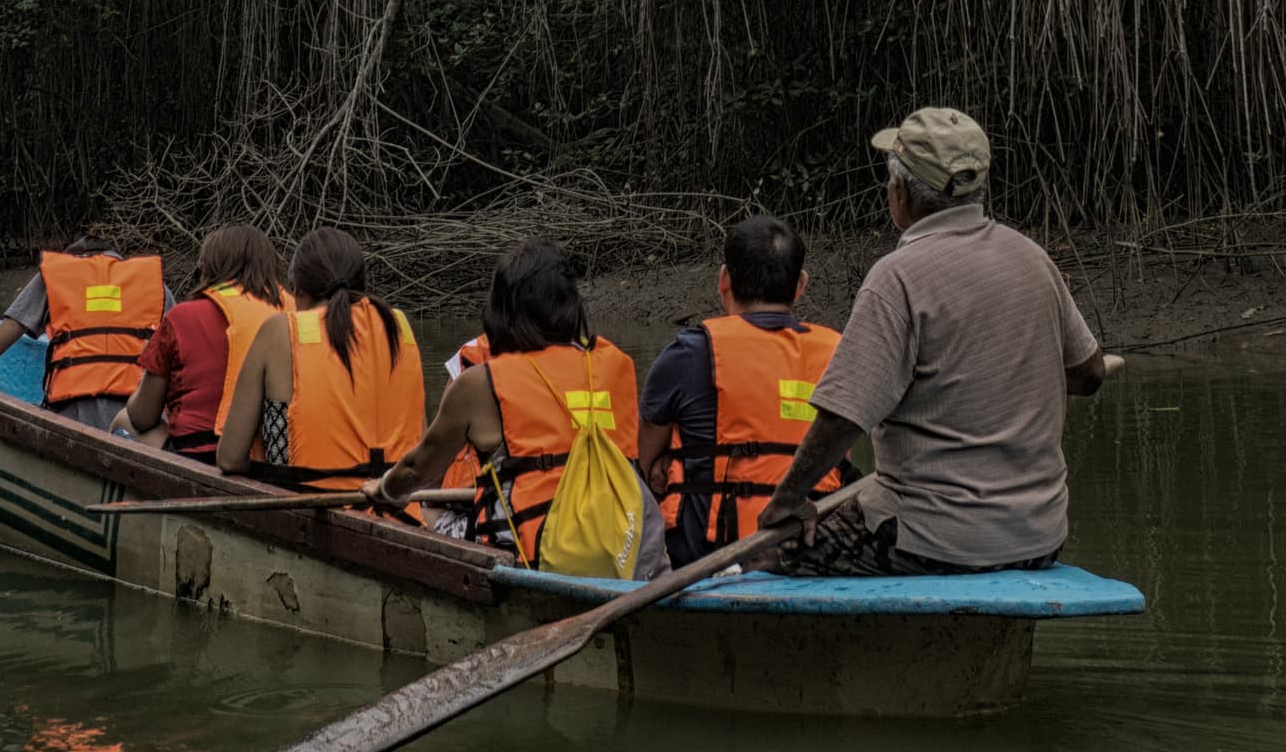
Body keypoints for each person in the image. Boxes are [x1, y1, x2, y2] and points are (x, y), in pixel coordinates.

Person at [757, 107, 1119, 575]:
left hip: (932, 541)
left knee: (769, 556)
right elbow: (1089, 374)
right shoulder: (1033, 258)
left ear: (900, 191)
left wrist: (788, 499)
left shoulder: (896, 278)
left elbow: (843, 419)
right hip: (1040, 536)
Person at [374, 242, 656, 572]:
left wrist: (384, 489)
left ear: (500, 310)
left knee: (428, 507)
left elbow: (417, 470)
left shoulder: (481, 382)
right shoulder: (615, 366)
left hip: (535, 558)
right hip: (629, 551)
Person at [635, 212, 847, 553]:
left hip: (709, 552)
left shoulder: (690, 352)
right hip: (814, 548)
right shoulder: (840, 354)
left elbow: (646, 450)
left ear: (724, 280)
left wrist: (660, 465)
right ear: (801, 285)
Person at [218, 228, 429, 490]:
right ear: (362, 284)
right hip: (394, 505)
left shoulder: (278, 331)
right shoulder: (398, 327)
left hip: (303, 502)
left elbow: (230, 458)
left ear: (299, 290)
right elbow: (422, 449)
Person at [0, 232, 166, 433]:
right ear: (117, 259)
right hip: (136, 418)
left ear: (73, 258)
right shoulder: (152, 284)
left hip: (74, 415)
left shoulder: (57, 276)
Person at [129, 224, 288, 459]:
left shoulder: (181, 317)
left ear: (208, 266)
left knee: (123, 420)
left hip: (197, 456)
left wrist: (146, 371)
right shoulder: (293, 316)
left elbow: (142, 416)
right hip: (270, 458)